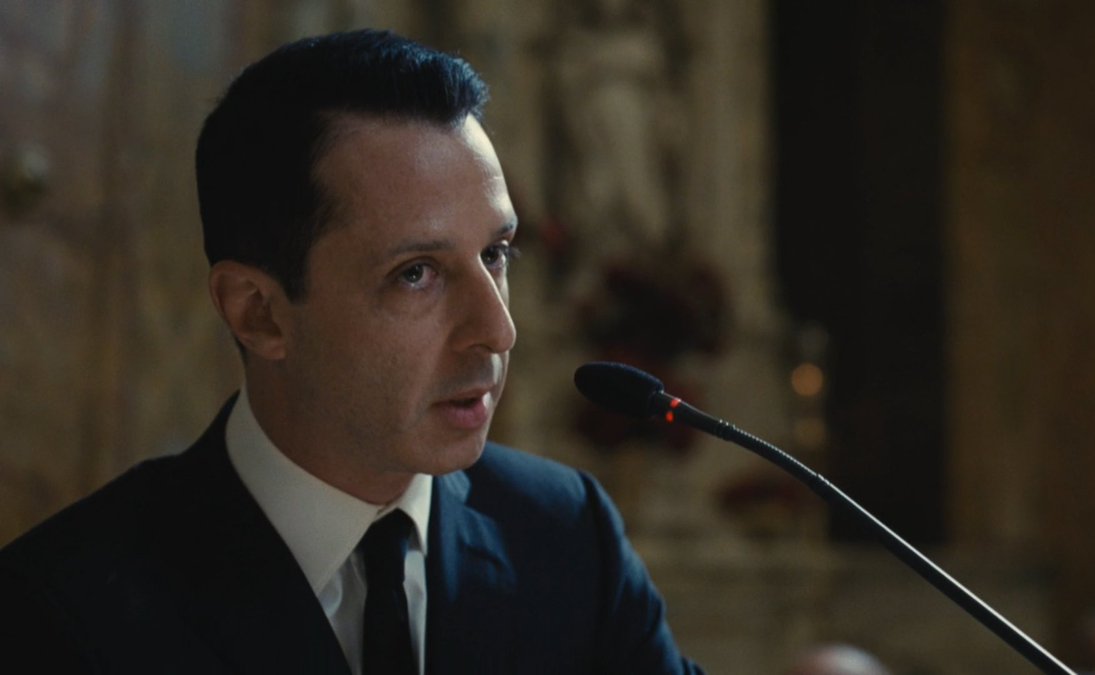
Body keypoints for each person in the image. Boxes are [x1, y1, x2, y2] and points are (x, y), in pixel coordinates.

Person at [0, 29, 702, 675]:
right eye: (416, 273)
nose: (497, 329)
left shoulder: (568, 534)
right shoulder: (61, 610)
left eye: (496, 253)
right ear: (258, 312)